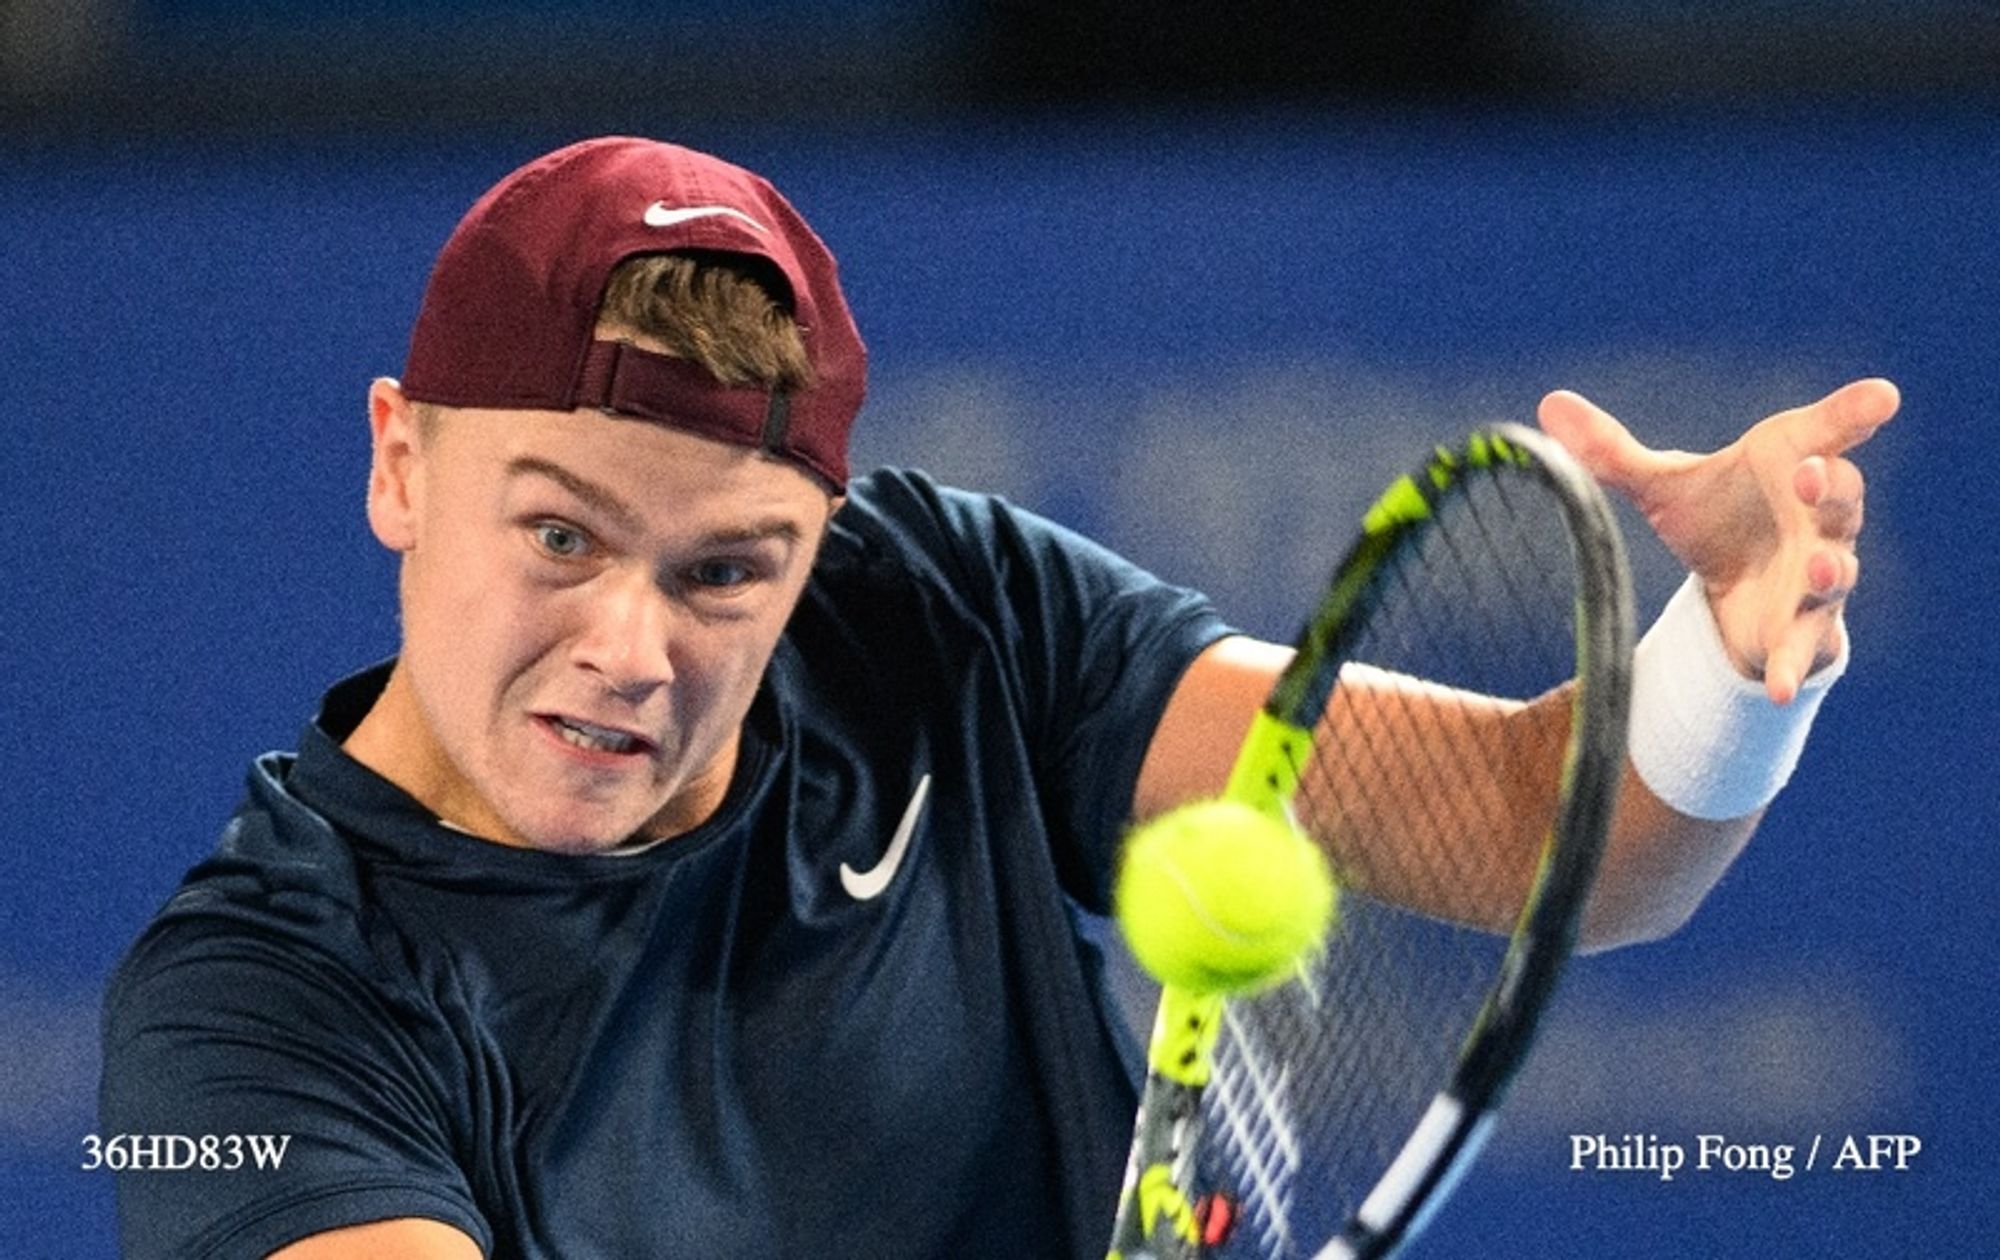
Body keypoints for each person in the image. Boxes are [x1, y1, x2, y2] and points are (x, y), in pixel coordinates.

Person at [98, 136, 1896, 1259]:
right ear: (400, 463)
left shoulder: (935, 611)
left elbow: (1549, 836)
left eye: (728, 570)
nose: (634, 649)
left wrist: (1729, 656)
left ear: (819, 544)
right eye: (559, 537)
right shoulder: (254, 1015)